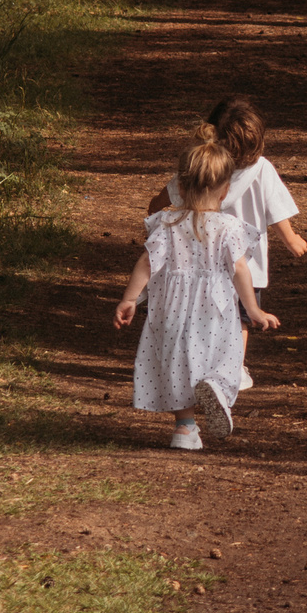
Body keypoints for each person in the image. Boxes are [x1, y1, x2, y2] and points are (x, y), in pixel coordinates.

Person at [115, 134, 279, 449]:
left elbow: (147, 264)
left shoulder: (166, 222)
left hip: (171, 310)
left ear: (181, 186)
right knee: (225, 355)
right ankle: (217, 386)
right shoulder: (229, 227)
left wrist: (129, 299)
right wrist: (254, 310)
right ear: (225, 190)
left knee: (177, 362)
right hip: (215, 309)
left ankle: (185, 428)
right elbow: (241, 269)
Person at [143, 96, 307, 346]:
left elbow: (168, 194)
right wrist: (291, 239)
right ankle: (234, 369)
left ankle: (197, 363)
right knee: (240, 321)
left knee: (201, 317)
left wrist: (155, 207)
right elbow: (275, 210)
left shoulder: (203, 166)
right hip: (248, 268)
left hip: (201, 265)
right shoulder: (262, 169)